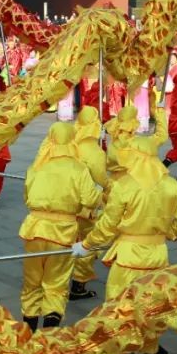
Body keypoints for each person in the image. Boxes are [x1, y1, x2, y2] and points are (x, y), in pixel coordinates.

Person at [75, 136, 177, 354]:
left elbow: (108, 225)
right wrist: (166, 233)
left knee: (118, 313)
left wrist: (86, 244)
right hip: (157, 256)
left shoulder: (125, 186)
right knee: (143, 312)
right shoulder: (171, 185)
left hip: (129, 258)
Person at [18, 122, 102, 332]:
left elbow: (27, 197)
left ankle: (28, 333)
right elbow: (91, 201)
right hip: (62, 232)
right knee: (55, 284)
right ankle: (48, 336)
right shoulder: (78, 168)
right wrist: (101, 192)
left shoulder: (36, 166)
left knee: (32, 282)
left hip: (34, 230)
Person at [69, 105, 109, 301]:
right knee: (89, 242)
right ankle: (79, 283)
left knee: (71, 239)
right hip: (87, 206)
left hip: (68, 203)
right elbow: (102, 180)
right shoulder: (94, 152)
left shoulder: (70, 145)